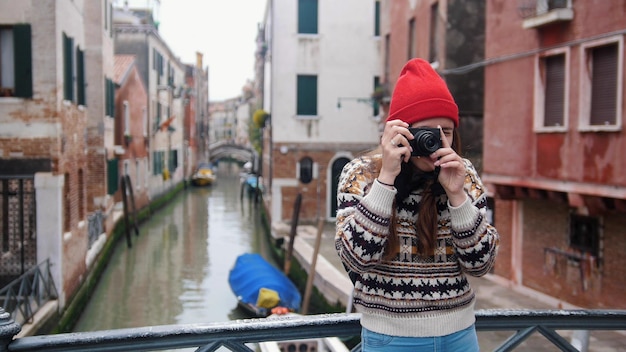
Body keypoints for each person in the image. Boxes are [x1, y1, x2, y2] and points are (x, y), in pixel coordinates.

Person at [335, 58, 500, 351]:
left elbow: (482, 263)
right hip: (392, 338)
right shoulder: (360, 174)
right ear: (400, 131)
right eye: (426, 132)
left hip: (459, 335)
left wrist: (457, 197)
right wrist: (386, 179)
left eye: (445, 132)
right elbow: (355, 256)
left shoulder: (464, 175)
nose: (436, 142)